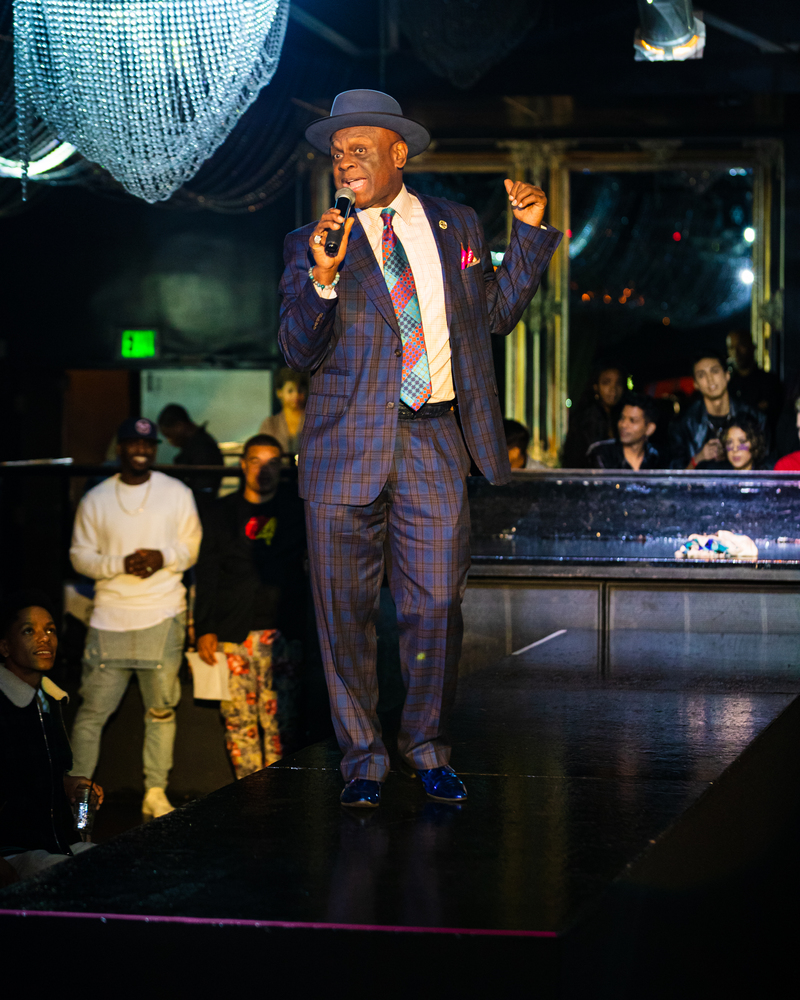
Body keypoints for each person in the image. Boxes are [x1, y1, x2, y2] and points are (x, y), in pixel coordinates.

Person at [278, 89, 561, 808]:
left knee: (436, 606)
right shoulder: (311, 241)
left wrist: (528, 236)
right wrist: (322, 278)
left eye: (359, 149)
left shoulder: (455, 223)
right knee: (342, 618)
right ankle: (362, 762)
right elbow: (296, 350)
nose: (345, 162)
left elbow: (493, 313)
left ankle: (428, 749)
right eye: (337, 153)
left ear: (398, 152)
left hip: (434, 438)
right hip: (343, 451)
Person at [68, 417, 202, 818]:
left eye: (148, 444)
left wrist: (163, 557)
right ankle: (76, 799)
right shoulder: (96, 498)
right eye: (133, 443)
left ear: (154, 448)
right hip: (110, 616)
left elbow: (192, 546)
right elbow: (79, 556)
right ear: (121, 447)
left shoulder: (176, 492)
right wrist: (119, 564)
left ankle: (155, 792)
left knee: (161, 710)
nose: (141, 450)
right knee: (91, 713)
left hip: (163, 612)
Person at [194, 434, 307, 778]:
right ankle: (248, 799)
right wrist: (204, 628)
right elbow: (207, 572)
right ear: (243, 465)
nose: (264, 470)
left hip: (283, 631)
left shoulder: (296, 510)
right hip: (232, 631)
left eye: (273, 462)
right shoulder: (220, 512)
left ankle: (279, 798)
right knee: (239, 725)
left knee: (282, 725)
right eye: (256, 461)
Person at [0, 593, 104, 885]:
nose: (44, 638)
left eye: (50, 630)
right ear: (5, 646)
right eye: (28, 631)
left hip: (58, 845)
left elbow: (24, 777)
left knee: (130, 866)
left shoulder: (49, 700)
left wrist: (66, 784)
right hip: (13, 852)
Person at [669, 352, 764, 470]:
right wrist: (698, 458)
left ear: (727, 375)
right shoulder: (683, 424)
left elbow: (767, 464)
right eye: (701, 375)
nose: (710, 379)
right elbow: (675, 476)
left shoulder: (755, 417)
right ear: (695, 384)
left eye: (714, 371)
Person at [157, 404, 224, 502]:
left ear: (179, 426)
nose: (170, 441)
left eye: (169, 435)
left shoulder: (202, 448)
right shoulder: (199, 445)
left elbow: (203, 488)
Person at [562, 365, 625, 467]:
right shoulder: (586, 420)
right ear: (596, 387)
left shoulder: (622, 417)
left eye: (618, 383)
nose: (613, 389)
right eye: (606, 382)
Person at [726, 328, 783, 439]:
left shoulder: (770, 382)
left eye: (741, 345)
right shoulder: (727, 385)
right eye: (731, 347)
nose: (736, 352)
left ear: (752, 347)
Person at [587, 393, 662, 470]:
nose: (623, 425)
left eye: (632, 421)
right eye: (622, 418)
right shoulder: (601, 453)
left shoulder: (658, 458)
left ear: (649, 429)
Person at [258, 368, 309, 460]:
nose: (296, 396)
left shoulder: (315, 421)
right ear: (279, 393)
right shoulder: (270, 424)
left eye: (300, 391)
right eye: (290, 391)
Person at [695, 416, 770, 471]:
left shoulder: (767, 477)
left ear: (755, 443)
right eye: (729, 443)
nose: (735, 449)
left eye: (742, 442)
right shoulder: (716, 475)